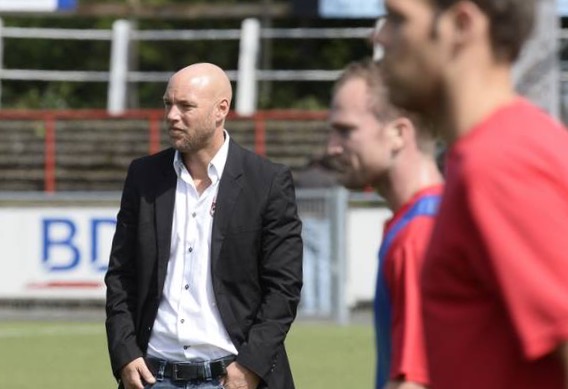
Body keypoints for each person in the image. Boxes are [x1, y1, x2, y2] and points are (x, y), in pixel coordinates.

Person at [375, 1, 568, 388]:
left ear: (461, 25)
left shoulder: (501, 164)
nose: (379, 36)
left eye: (398, 19)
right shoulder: (487, 155)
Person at [105, 62, 303, 389]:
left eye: (186, 106)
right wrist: (124, 352)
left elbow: (283, 287)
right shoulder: (143, 176)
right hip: (153, 377)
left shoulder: (267, 181)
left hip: (233, 378)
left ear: (220, 110)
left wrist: (250, 365)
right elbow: (121, 275)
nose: (171, 115)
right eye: (168, 104)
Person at [327, 58, 443, 389]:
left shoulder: (418, 234)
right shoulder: (429, 218)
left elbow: (414, 382)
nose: (332, 147)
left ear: (398, 133)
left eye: (345, 131)